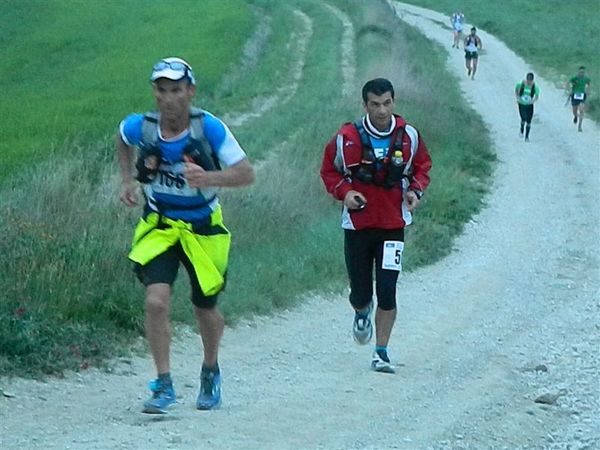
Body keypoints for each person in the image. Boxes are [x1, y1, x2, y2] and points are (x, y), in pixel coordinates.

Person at [116, 57, 254, 413]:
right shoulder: (142, 128)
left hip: (204, 229)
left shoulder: (208, 129)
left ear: (190, 92)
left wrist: (209, 179)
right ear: (155, 93)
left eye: (176, 90)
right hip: (160, 226)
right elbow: (121, 137)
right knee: (155, 301)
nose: (168, 98)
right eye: (161, 90)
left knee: (204, 307)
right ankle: (164, 385)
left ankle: (210, 369)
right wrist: (126, 180)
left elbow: (245, 173)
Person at [320, 78, 432, 374]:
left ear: (394, 101)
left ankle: (381, 351)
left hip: (393, 225)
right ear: (364, 105)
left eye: (386, 103)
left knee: (388, 288)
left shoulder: (409, 136)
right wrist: (345, 193)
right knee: (360, 290)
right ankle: (361, 310)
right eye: (375, 104)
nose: (382, 111)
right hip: (358, 225)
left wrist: (415, 191)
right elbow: (329, 171)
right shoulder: (346, 138)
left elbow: (423, 166)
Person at [515, 72, 540, 141]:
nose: (529, 82)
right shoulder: (521, 84)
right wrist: (518, 97)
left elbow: (537, 96)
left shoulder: (535, 87)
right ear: (526, 79)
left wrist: (533, 101)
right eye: (528, 80)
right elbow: (516, 90)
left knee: (529, 120)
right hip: (522, 104)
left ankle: (527, 136)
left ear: (532, 80)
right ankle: (522, 128)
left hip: (529, 105)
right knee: (523, 118)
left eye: (530, 81)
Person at [567, 66, 591, 132]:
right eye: (580, 72)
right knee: (574, 110)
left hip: (582, 95)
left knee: (581, 110)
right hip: (575, 95)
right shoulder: (575, 78)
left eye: (583, 72)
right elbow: (568, 83)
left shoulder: (586, 78)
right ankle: (575, 116)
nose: (582, 73)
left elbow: (589, 84)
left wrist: (588, 91)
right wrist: (569, 91)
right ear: (578, 72)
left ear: (584, 72)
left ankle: (580, 126)